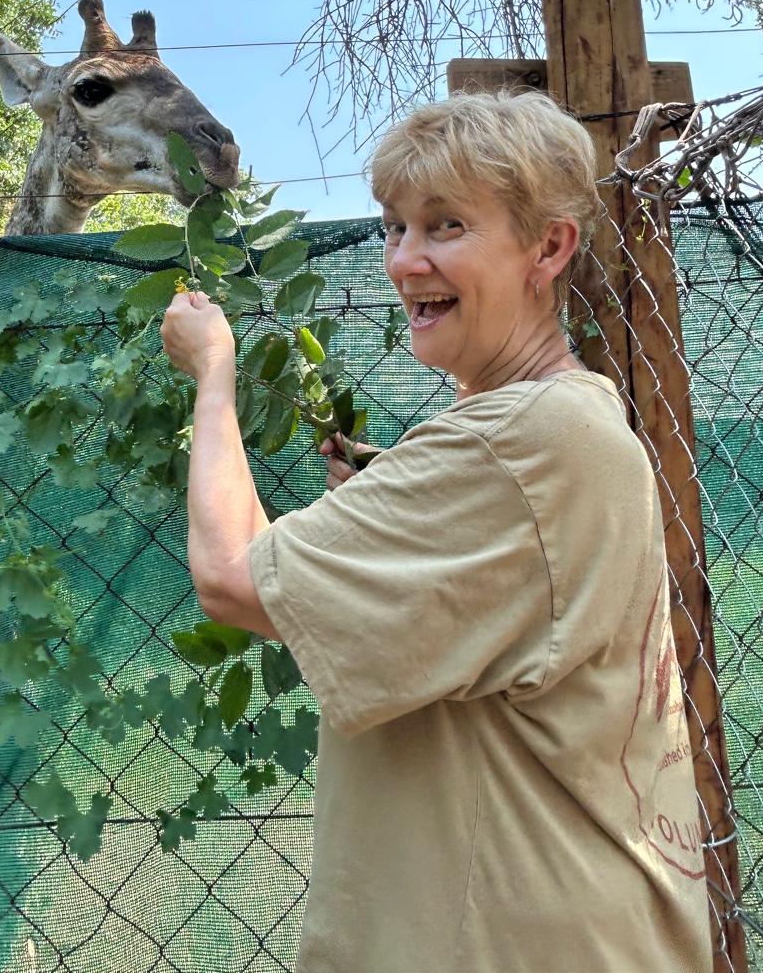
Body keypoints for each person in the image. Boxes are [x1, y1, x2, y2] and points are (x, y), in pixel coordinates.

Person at [161, 90, 713, 973]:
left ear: (549, 247)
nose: (405, 260)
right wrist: (390, 508)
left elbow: (231, 577)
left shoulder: (517, 443)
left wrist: (214, 373)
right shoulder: (574, 419)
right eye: (394, 228)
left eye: (446, 226)